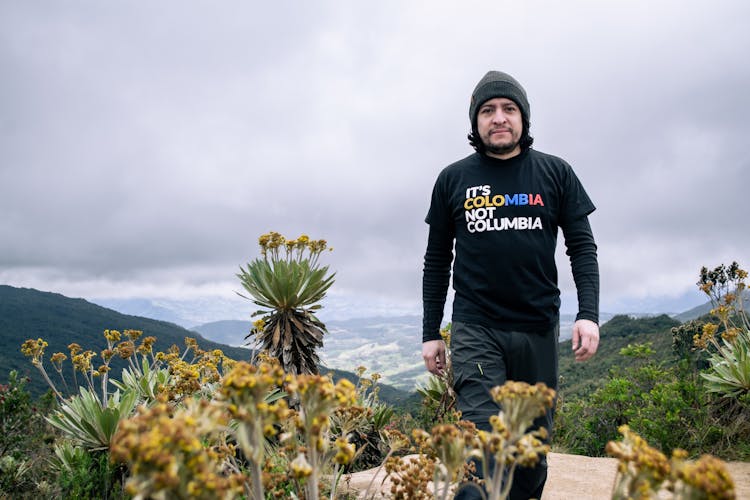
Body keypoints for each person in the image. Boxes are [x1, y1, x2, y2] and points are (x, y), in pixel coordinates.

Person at [421, 70, 600, 499]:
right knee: (484, 454)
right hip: (475, 328)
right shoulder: (452, 179)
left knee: (530, 458)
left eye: (508, 109)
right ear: (475, 122)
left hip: (537, 329)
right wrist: (430, 332)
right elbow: (436, 260)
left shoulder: (555, 173)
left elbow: (582, 248)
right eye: (487, 111)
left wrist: (589, 314)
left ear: (523, 118)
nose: (498, 118)